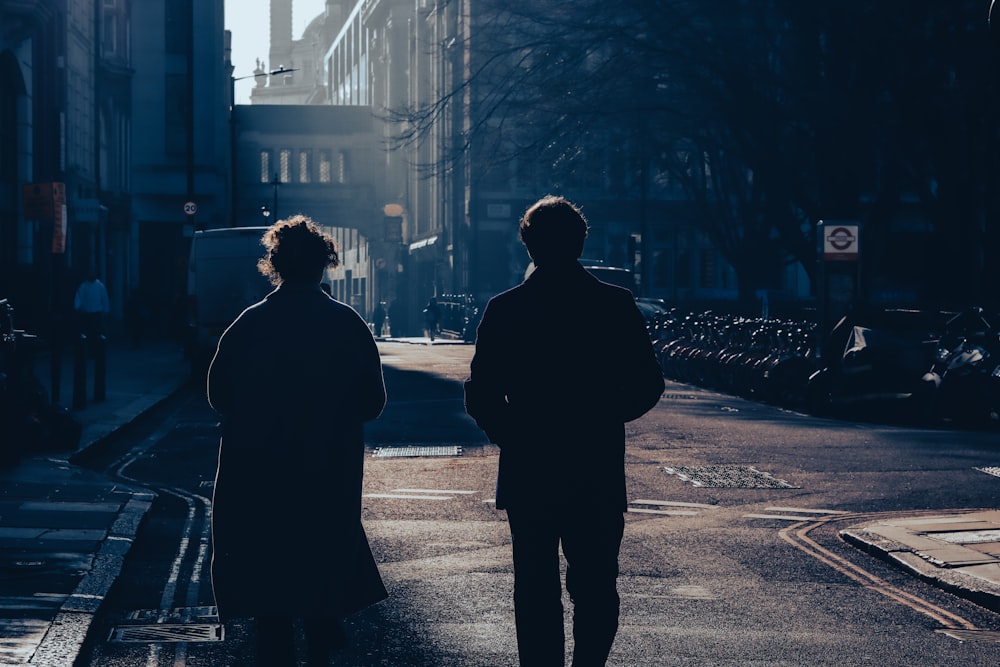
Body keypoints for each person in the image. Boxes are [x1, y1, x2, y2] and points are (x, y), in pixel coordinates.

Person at [464, 195, 665, 667]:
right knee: (596, 586)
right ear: (580, 242)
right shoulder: (613, 304)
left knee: (534, 588)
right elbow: (647, 383)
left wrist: (513, 435)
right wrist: (601, 417)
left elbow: (481, 393)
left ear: (527, 246)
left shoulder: (506, 308)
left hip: (529, 469)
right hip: (595, 468)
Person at [207, 215, 388, 666]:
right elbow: (373, 402)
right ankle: (321, 630)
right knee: (319, 570)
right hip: (327, 472)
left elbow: (218, 395)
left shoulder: (248, 325)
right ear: (323, 265)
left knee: (271, 595)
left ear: (275, 265)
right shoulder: (347, 323)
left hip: (260, 475)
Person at [73, 271, 110, 340]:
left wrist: (106, 310)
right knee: (86, 335)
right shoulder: (83, 286)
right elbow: (78, 298)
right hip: (86, 314)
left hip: (97, 314)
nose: (91, 275)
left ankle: (98, 348)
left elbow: (104, 299)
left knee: (98, 334)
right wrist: (77, 307)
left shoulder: (100, 286)